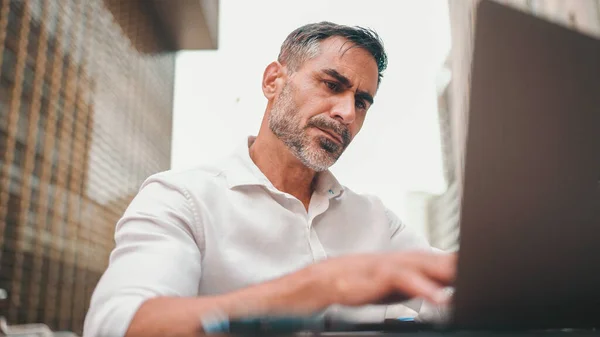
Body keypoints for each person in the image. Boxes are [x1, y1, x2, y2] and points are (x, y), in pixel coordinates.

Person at [83, 22, 456, 337]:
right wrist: (314, 289)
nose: (346, 113)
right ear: (273, 80)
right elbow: (120, 325)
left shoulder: (376, 220)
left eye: (361, 102)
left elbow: (459, 289)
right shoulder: (181, 199)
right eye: (331, 84)